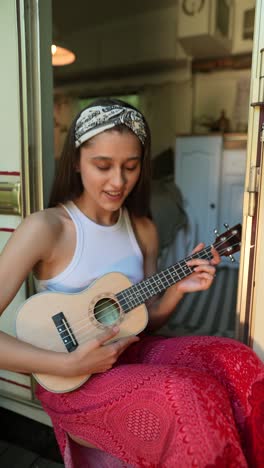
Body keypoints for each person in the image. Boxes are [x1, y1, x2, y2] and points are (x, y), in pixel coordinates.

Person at [0, 98, 263, 467]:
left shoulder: (143, 230)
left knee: (237, 362)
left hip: (128, 353)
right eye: (103, 166)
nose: (118, 181)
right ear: (76, 161)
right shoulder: (46, 228)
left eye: (131, 166)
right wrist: (68, 365)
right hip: (72, 381)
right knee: (186, 394)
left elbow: (141, 321)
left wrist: (174, 292)